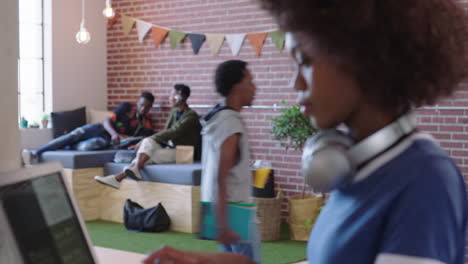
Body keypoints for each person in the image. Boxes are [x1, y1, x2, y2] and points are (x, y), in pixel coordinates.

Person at [144, 0, 468, 264]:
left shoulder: (424, 180)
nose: (296, 83)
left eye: (306, 62)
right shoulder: (356, 167)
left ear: (362, 58)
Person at [199, 60, 261, 263]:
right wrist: (223, 224)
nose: (255, 87)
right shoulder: (230, 124)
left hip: (219, 208)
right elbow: (221, 176)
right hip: (234, 212)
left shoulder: (218, 117)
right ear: (236, 85)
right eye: (250, 81)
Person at [94, 84, 202, 189]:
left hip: (185, 153)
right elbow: (165, 131)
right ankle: (120, 177)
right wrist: (148, 140)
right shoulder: (174, 112)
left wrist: (148, 139)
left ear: (179, 98)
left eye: (171, 95)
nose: (169, 98)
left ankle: (118, 178)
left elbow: (173, 131)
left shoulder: (191, 116)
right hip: (171, 148)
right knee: (147, 147)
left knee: (147, 153)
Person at [22, 92, 155, 165]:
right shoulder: (126, 107)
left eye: (147, 107)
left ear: (150, 107)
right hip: (101, 129)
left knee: (92, 145)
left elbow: (143, 139)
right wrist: (115, 134)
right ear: (138, 102)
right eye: (142, 105)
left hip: (106, 140)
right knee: (74, 135)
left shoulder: (145, 123)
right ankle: (37, 153)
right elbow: (106, 121)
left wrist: (127, 141)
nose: (143, 109)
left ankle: (67, 147)